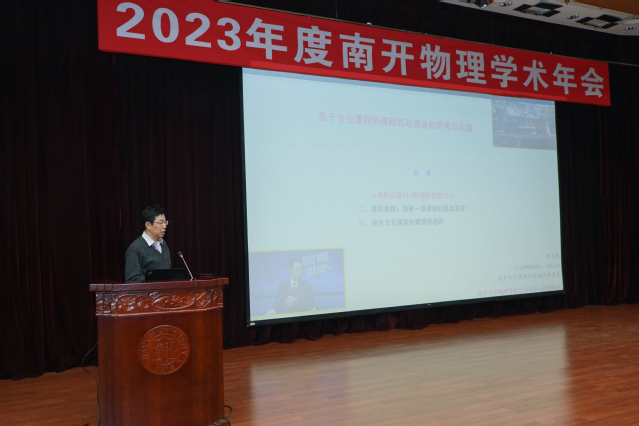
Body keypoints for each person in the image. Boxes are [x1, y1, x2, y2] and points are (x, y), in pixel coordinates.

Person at [124, 205, 171, 282]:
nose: (164, 226)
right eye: (160, 223)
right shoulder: (135, 248)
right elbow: (132, 279)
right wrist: (155, 280)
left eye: (165, 222)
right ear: (148, 225)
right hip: (147, 290)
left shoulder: (163, 244)